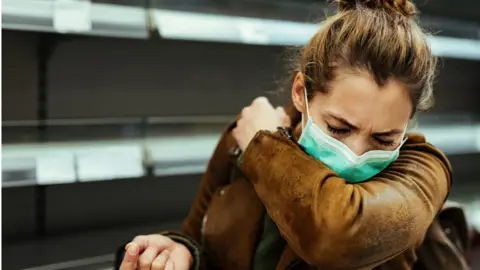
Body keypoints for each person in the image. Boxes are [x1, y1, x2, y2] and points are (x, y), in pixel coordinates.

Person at [119, 0, 456, 269]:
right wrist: (181, 253)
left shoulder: (422, 171)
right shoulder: (243, 140)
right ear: (300, 92)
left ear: (409, 122)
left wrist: (264, 148)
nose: (354, 153)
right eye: (339, 128)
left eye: (384, 140)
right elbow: (197, 235)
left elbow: (335, 237)